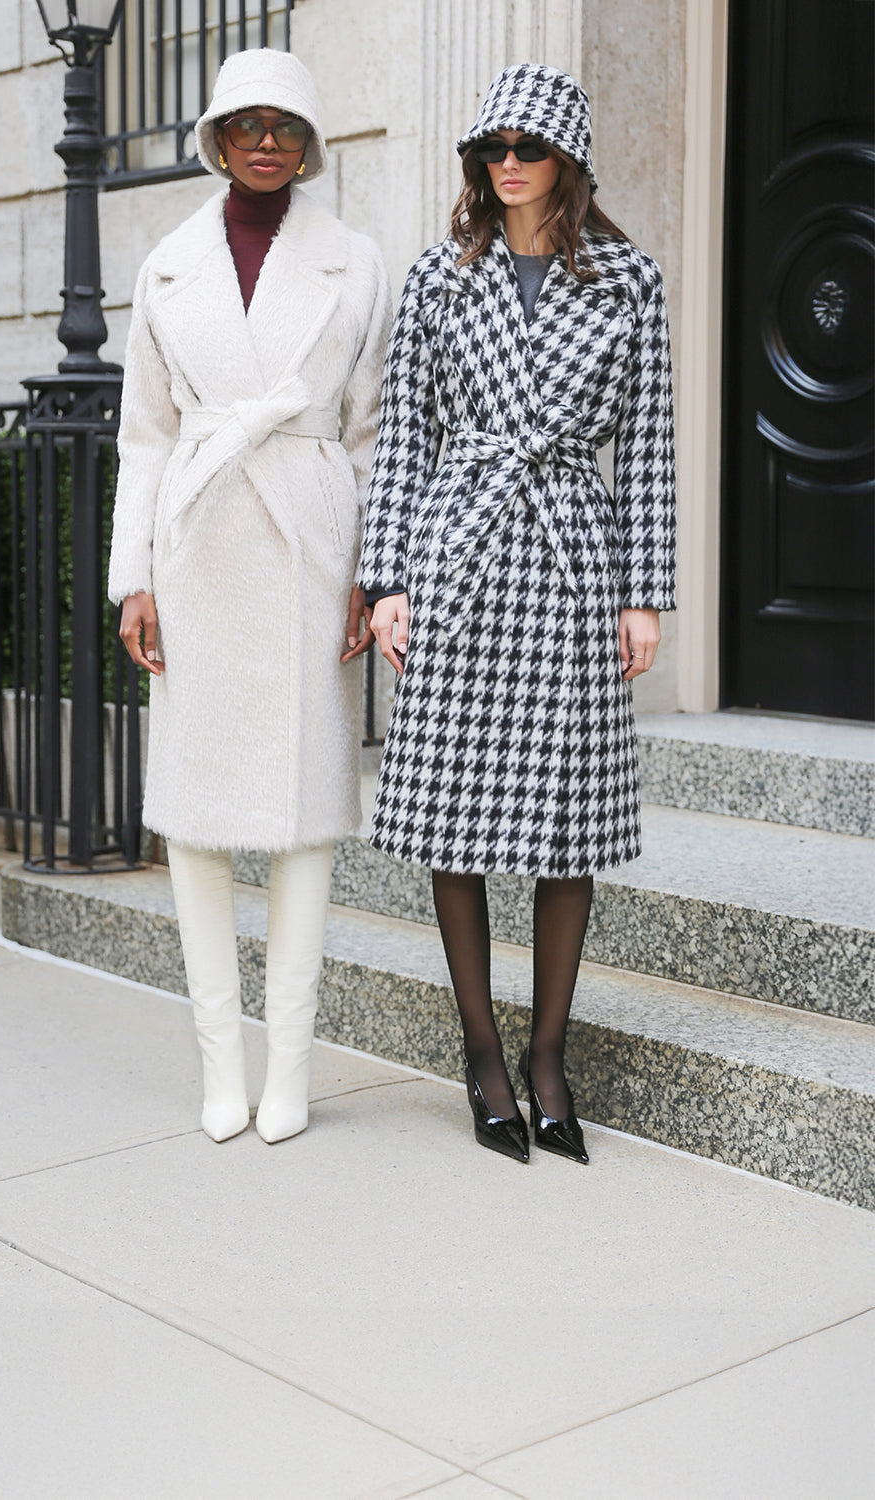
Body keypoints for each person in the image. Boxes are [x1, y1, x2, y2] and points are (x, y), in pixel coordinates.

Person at [358, 64, 676, 1164]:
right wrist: (386, 581)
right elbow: (403, 438)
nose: (505, 165)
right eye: (490, 149)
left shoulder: (629, 281)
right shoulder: (439, 279)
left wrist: (642, 595)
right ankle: (482, 1055)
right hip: (460, 552)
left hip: (572, 553)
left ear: (568, 164)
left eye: (526, 149)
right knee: (454, 814)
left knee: (566, 818)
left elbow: (644, 449)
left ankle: (548, 1056)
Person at [108, 48, 391, 1145]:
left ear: (308, 142)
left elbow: (372, 434)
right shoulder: (168, 263)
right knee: (195, 816)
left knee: (307, 815)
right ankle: (220, 1063)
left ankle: (291, 1072)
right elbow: (143, 436)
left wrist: (374, 569)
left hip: (310, 543)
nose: (265, 139)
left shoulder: (356, 262)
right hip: (199, 542)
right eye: (245, 123)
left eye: (285, 124)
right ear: (216, 139)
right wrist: (134, 576)